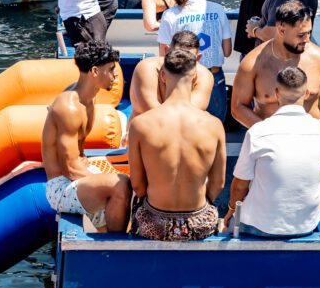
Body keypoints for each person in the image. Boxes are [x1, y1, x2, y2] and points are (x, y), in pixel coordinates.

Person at [232, 0, 320, 171]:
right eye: (301, 35)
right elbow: (237, 107)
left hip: (309, 149)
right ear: (281, 29)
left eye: (309, 33)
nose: (307, 40)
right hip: (270, 149)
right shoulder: (253, 62)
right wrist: (270, 133)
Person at [224, 67, 320, 237]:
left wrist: (232, 210)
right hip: (306, 225)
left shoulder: (258, 132)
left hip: (261, 225)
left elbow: (240, 184)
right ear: (307, 93)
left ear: (277, 93)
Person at [129, 49, 225, 241]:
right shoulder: (214, 125)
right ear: (195, 76)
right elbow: (218, 184)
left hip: (155, 222)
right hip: (199, 223)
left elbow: (138, 185)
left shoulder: (141, 124)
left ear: (163, 76)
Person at [42, 40, 131, 231]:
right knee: (122, 184)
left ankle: (108, 238)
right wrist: (105, 179)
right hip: (61, 188)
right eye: (110, 69)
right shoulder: (69, 107)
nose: (115, 75)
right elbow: (71, 170)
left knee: (134, 181)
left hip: (80, 176)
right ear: (95, 72)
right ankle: (114, 249)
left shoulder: (88, 96)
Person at [157, 0, 232, 121]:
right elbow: (227, 51)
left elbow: (163, 53)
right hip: (213, 76)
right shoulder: (218, 9)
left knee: (184, 125)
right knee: (215, 125)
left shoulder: (170, 14)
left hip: (182, 79)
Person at [129, 30, 214, 118]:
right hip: (146, 129)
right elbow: (151, 114)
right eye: (176, 55)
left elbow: (191, 114)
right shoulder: (147, 67)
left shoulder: (204, 76)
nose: (182, 62)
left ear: (198, 58)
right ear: (166, 51)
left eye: (189, 58)